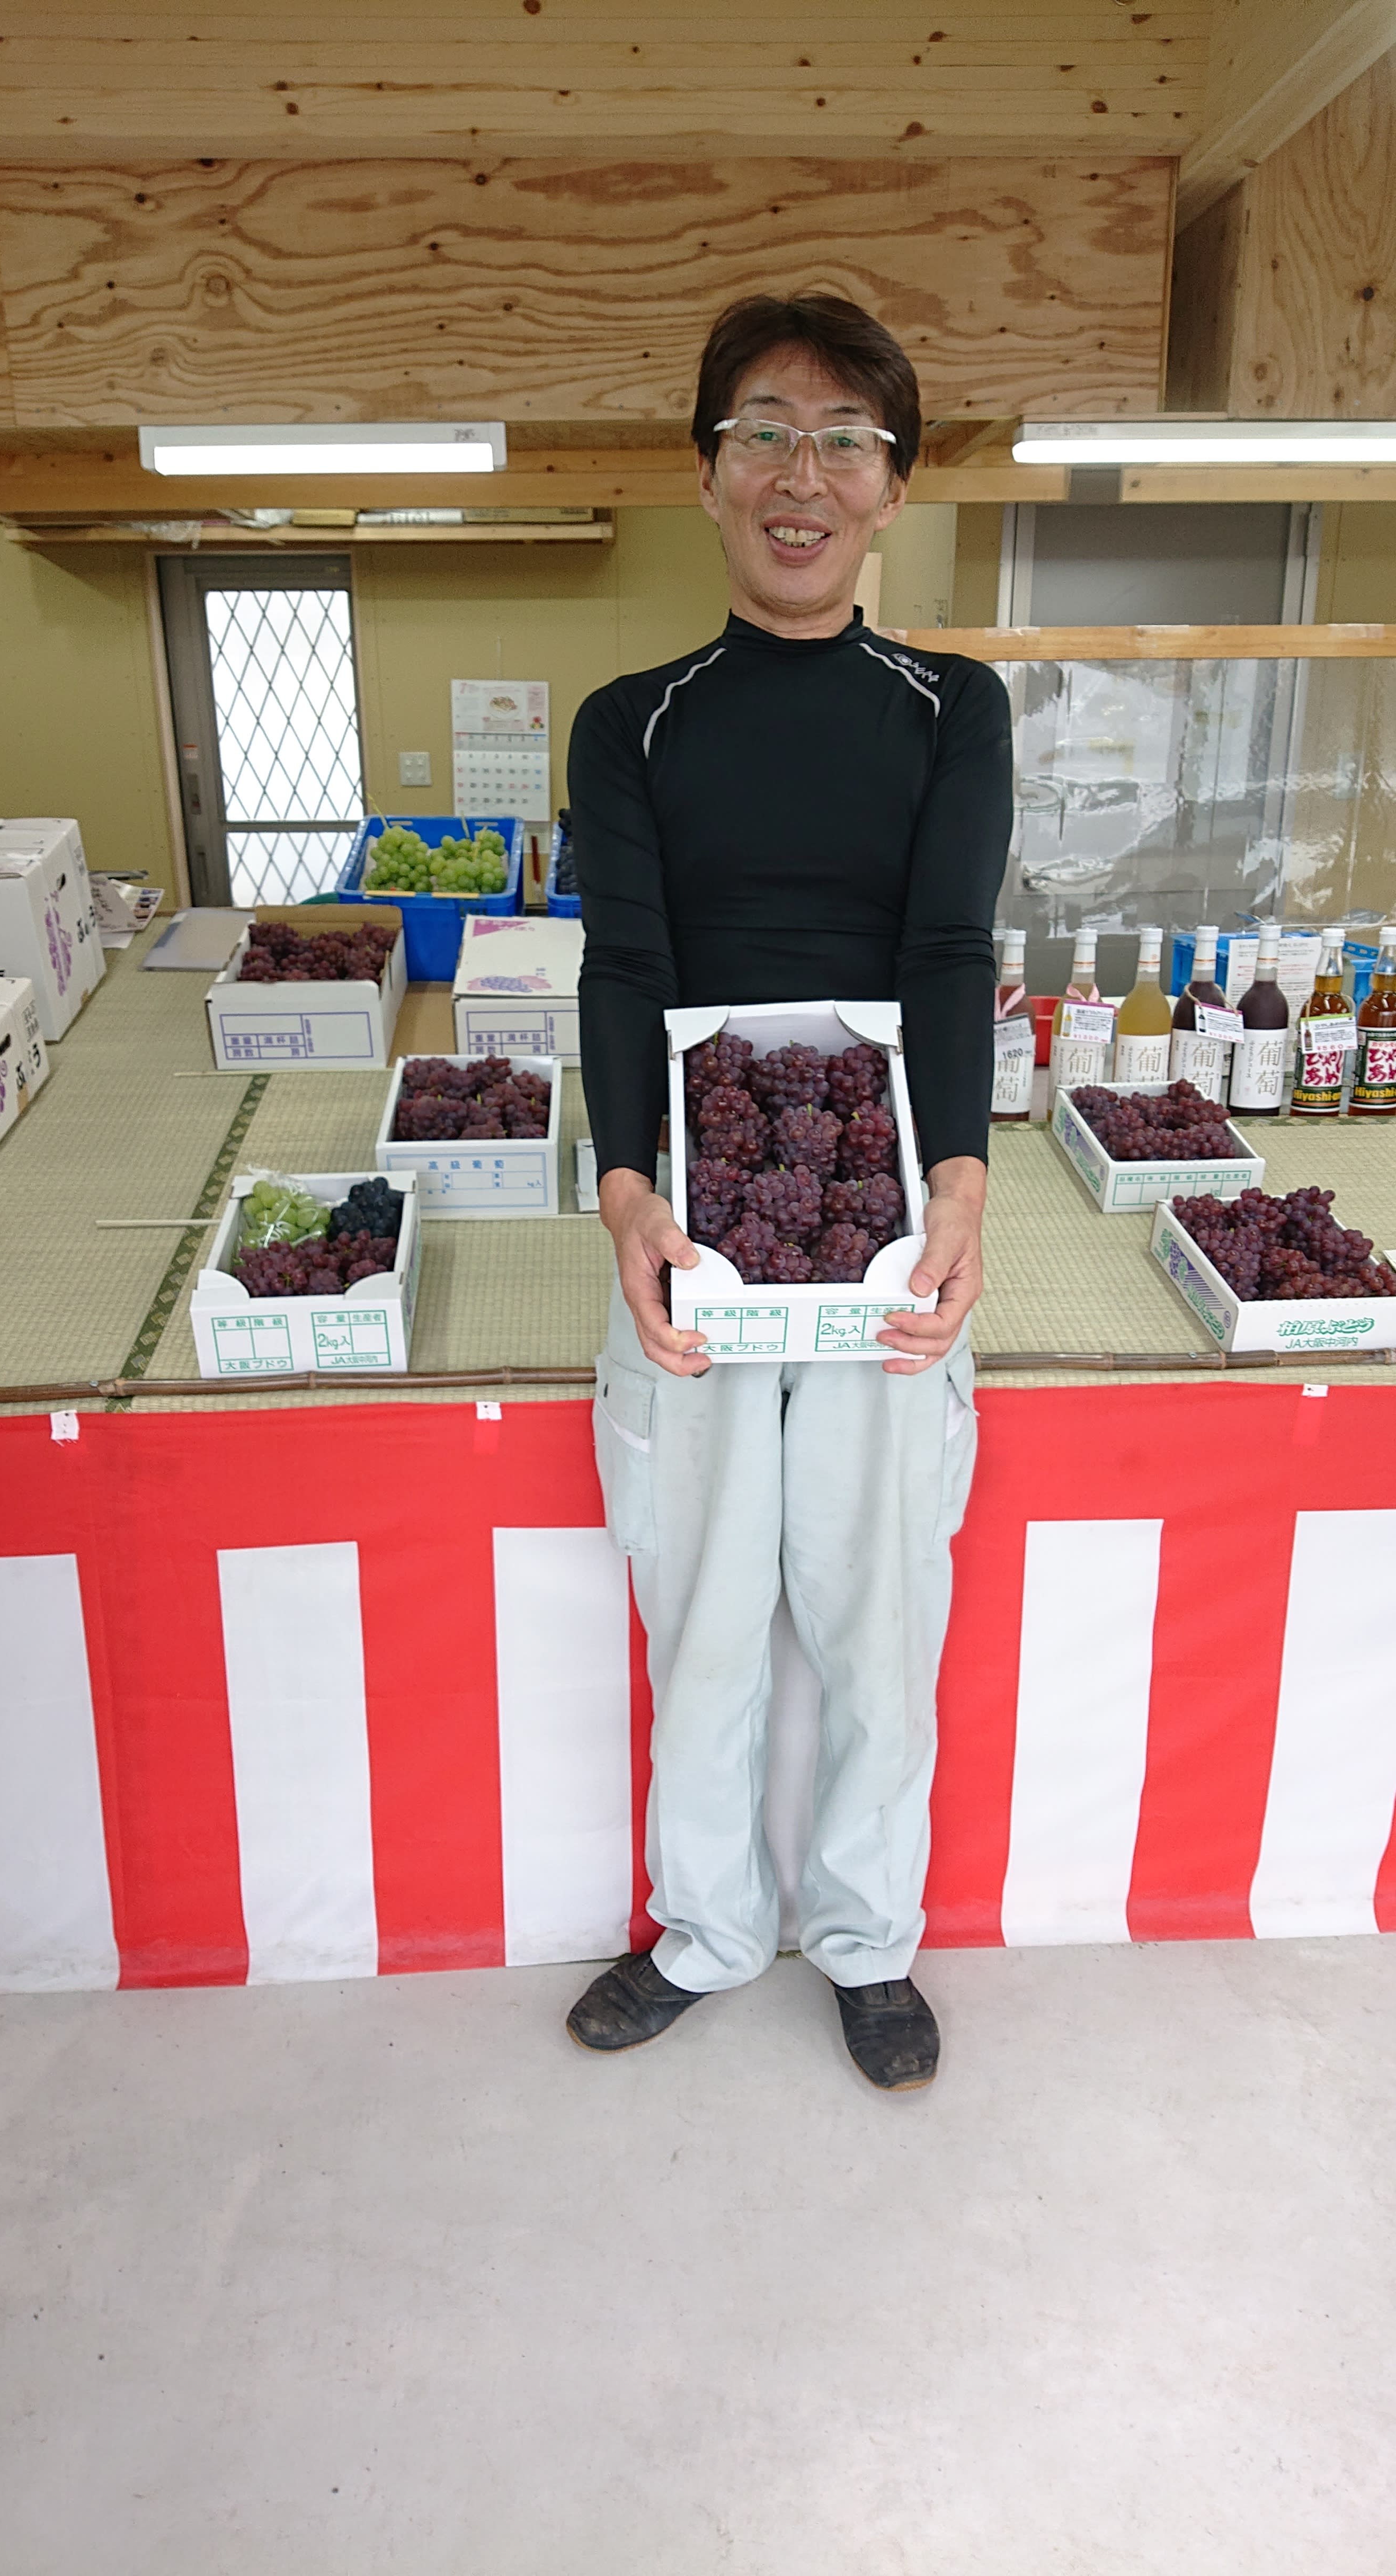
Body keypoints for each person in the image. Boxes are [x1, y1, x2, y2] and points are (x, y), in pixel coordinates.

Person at [564, 292, 1012, 2090]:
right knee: (702, 1608)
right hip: (701, 1219)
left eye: (843, 439)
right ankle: (704, 1927)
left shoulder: (950, 707)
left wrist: (961, 1185)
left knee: (879, 1609)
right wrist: (625, 1191)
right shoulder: (634, 722)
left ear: (893, 487)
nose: (800, 474)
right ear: (708, 474)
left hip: (882, 1216)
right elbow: (624, 964)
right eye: (763, 432)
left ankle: (868, 1937)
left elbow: (950, 950)